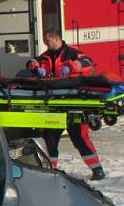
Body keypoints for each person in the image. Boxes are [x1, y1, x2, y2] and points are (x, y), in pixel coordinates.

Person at [27, 31, 105, 180]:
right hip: (55, 103)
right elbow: (31, 62)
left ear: (56, 39)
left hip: (73, 102)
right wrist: (36, 68)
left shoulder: (72, 53)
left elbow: (88, 63)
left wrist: (73, 66)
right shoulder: (46, 56)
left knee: (79, 137)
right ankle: (52, 169)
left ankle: (97, 169)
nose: (46, 44)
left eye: (48, 41)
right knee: (50, 137)